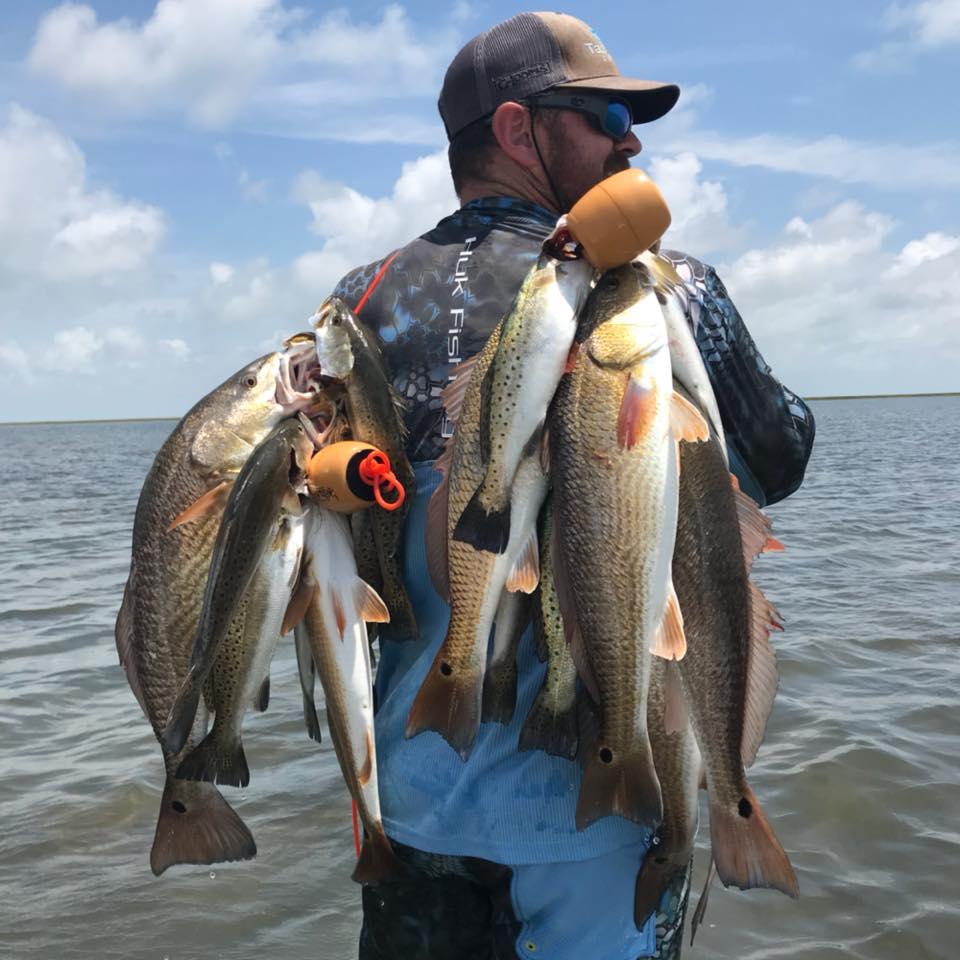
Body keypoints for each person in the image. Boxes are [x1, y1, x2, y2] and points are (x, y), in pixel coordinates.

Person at [332, 12, 815, 959]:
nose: (630, 138)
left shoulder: (359, 302)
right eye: (603, 114)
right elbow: (781, 455)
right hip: (598, 825)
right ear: (518, 131)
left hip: (411, 810)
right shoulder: (655, 287)